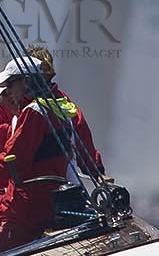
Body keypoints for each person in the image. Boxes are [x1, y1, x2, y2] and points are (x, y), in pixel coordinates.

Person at [0, 57, 72, 253]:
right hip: (48, 196)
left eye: (11, 84)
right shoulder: (58, 106)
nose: (9, 92)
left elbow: (13, 162)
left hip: (30, 203)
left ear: (26, 81)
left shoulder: (34, 112)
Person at [26, 44, 104, 178]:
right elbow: (83, 141)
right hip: (52, 181)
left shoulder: (17, 102)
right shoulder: (64, 104)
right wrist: (96, 171)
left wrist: (96, 172)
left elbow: (81, 139)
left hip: (33, 184)